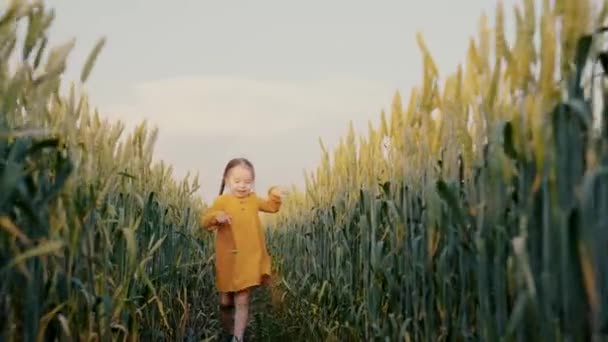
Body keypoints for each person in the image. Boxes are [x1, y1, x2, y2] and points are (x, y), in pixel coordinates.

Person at [200, 157, 288, 342]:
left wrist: (274, 193)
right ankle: (229, 330)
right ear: (227, 180)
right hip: (228, 261)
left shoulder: (253, 200)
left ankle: (237, 338)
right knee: (225, 302)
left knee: (242, 299)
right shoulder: (222, 201)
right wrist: (217, 216)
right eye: (237, 181)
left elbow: (272, 207)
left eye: (247, 182)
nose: (242, 186)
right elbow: (205, 221)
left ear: (253, 183)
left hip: (249, 259)